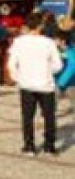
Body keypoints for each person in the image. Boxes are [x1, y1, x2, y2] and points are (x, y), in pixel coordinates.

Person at [8, 13, 63, 156]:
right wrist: (47, 71)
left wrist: (18, 78)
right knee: (49, 116)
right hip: (45, 84)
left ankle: (29, 146)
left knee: (27, 116)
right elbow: (58, 65)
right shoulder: (49, 42)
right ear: (41, 26)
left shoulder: (18, 41)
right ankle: (49, 146)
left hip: (26, 84)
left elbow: (12, 64)